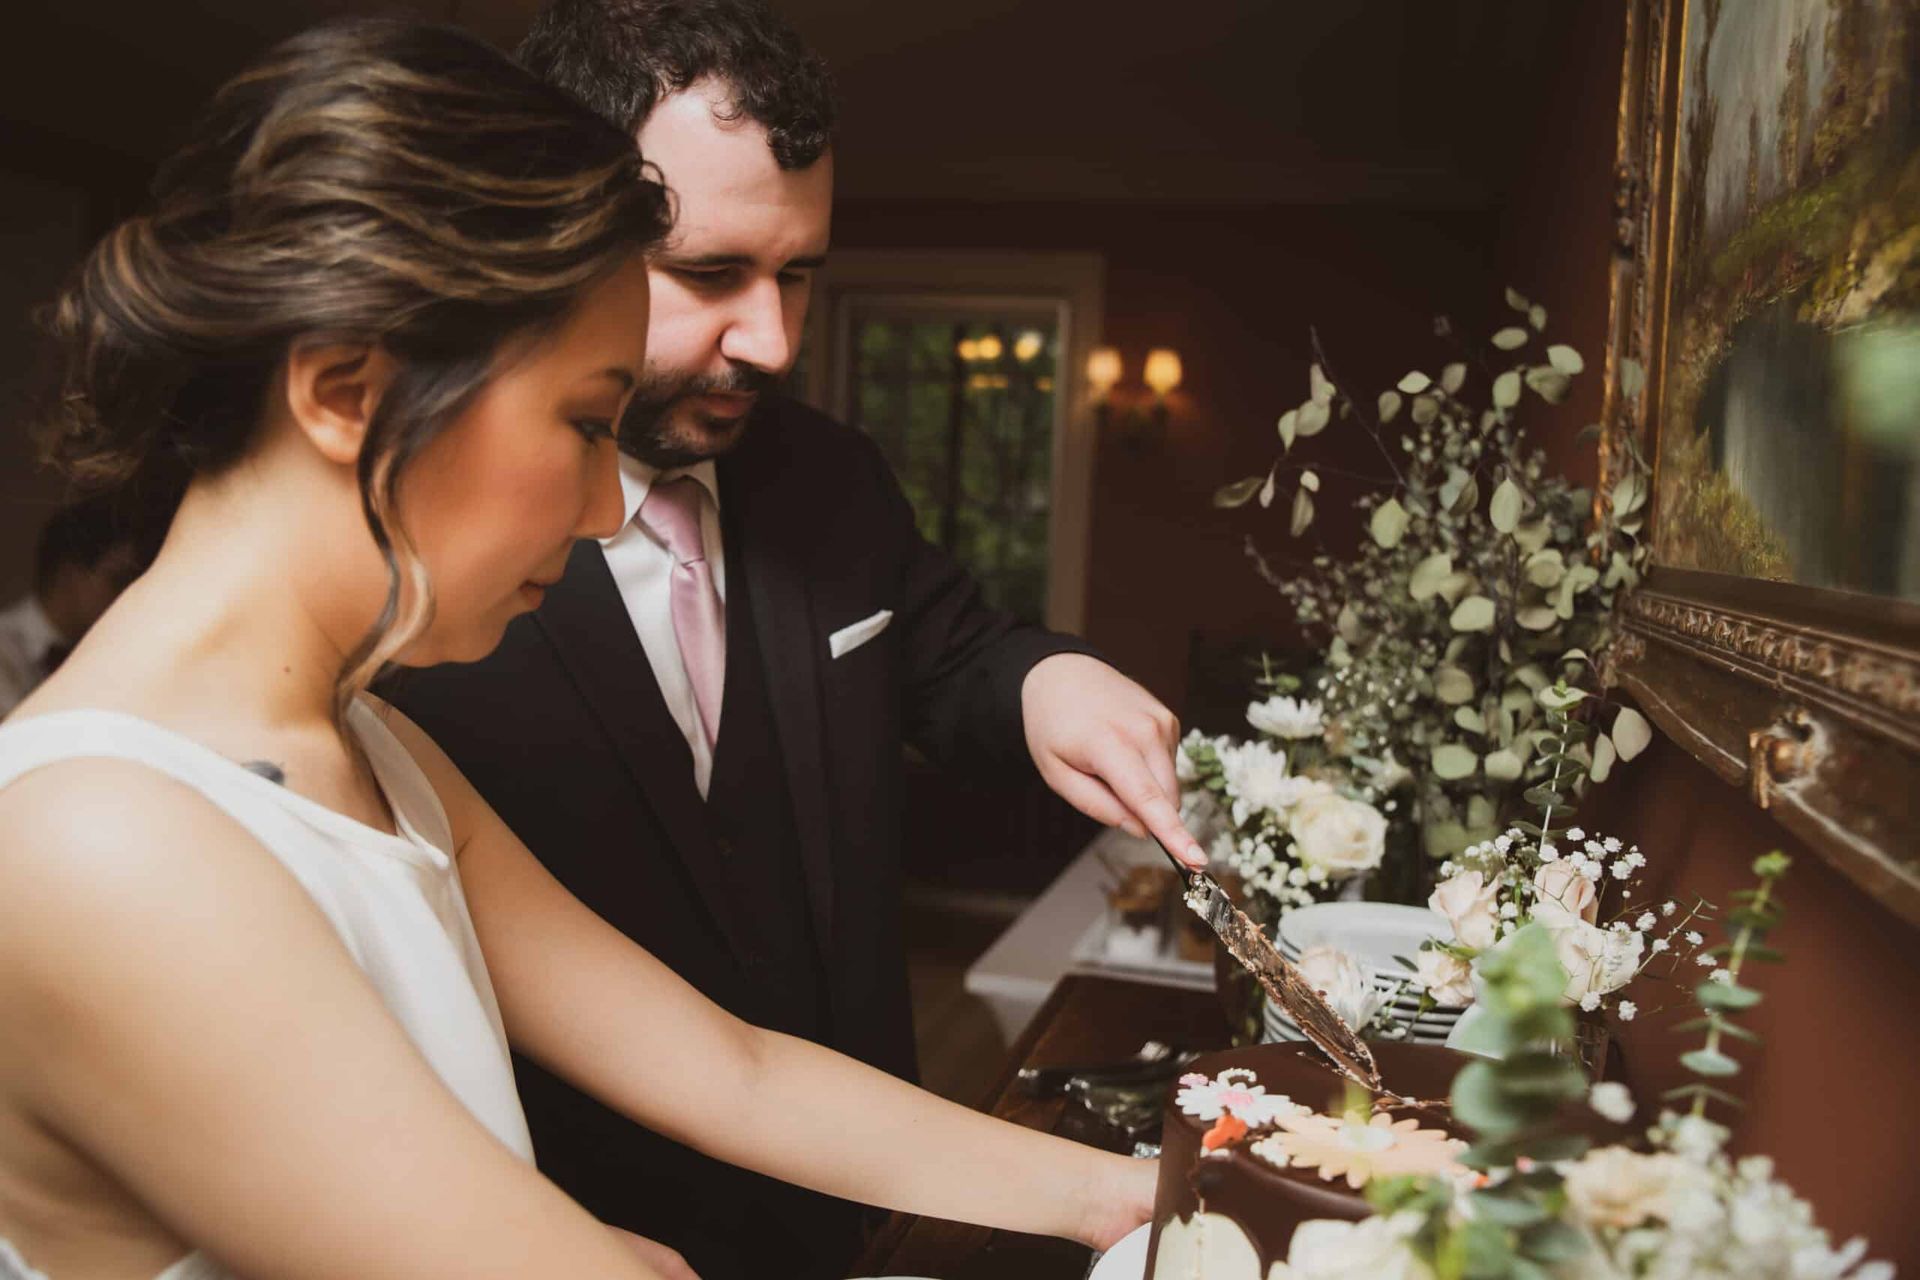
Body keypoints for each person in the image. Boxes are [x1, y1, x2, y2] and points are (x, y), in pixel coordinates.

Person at [0, 21, 1155, 1280]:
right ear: (346, 391)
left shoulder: (379, 745)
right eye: (581, 421)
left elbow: (737, 1069)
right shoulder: (103, 842)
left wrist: (1145, 1191)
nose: (612, 508)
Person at [387, 3, 1206, 1273]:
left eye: (801, 273)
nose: (771, 339)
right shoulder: (430, 551)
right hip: (561, 1195)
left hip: (855, 1181)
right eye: (711, 274)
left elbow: (952, 655)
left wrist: (1050, 676)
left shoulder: (830, 477)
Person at [0, 497, 138, 716]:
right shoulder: (5, 649)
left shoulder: (105, 655)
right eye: (117, 581)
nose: (125, 596)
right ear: (69, 573)